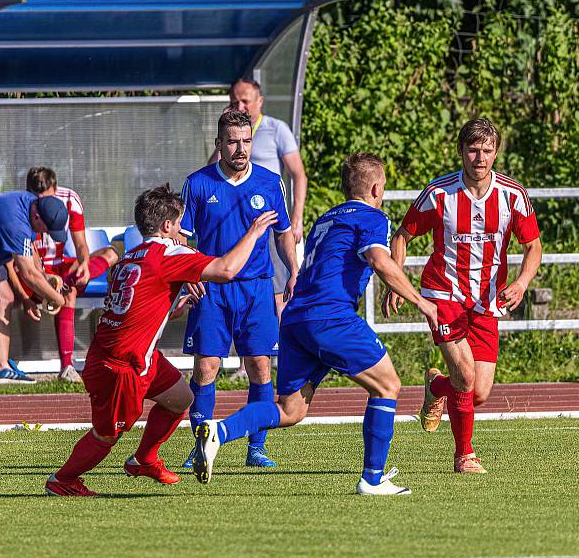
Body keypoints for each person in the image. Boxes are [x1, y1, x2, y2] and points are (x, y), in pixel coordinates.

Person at [191, 153, 439, 496]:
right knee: (387, 386)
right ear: (376, 187)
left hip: (295, 318)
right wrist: (422, 302)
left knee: (290, 409)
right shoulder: (372, 216)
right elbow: (380, 261)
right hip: (330, 315)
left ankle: (218, 432)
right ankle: (373, 478)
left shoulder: (328, 217)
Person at [44, 185, 277, 497]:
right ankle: (62, 480)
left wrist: (176, 306)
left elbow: (142, 304)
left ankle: (144, 458)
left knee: (181, 398)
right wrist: (254, 231)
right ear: (167, 226)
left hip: (134, 353)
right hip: (121, 364)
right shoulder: (168, 254)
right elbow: (226, 269)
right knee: (106, 435)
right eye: (178, 223)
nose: (181, 230)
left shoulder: (132, 255)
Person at [383, 118, 543, 474]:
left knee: (479, 392)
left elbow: (533, 246)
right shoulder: (440, 194)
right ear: (461, 152)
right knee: (467, 376)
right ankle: (464, 456)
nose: (480, 158)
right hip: (443, 293)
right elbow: (402, 236)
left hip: (487, 301)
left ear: (496, 152)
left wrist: (521, 283)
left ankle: (436, 386)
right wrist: (396, 278)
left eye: (487, 150)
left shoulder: (512, 195)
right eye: (473, 150)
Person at [181, 109, 298, 468]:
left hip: (257, 289)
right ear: (219, 144)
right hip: (212, 289)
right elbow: (182, 240)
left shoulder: (269, 182)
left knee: (260, 367)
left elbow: (283, 235)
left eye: (246, 141)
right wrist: (189, 275)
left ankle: (256, 447)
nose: (240, 148)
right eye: (232, 141)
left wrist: (293, 270)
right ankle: (199, 447)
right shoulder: (198, 184)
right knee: (206, 367)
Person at [210, 78, 309, 383]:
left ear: (260, 101)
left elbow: (297, 174)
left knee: (280, 297)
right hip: (234, 229)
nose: (241, 106)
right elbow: (212, 170)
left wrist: (296, 218)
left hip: (269, 227)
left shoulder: (276, 129)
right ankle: (245, 364)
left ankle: (287, 361)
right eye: (235, 101)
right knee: (237, 293)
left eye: (246, 101)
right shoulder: (228, 136)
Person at [9, 167, 119, 382]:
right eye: (37, 198)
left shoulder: (70, 199)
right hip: (32, 270)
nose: (43, 205)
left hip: (61, 267)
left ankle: (68, 284)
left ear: (55, 189)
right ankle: (66, 366)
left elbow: (80, 244)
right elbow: (26, 260)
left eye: (47, 198)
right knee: (68, 294)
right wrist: (46, 281)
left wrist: (84, 264)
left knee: (111, 252)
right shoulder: (22, 207)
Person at [0, 192, 68, 384]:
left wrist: (44, 277)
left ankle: (2, 367)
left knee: (6, 297)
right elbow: (28, 274)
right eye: (47, 230)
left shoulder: (31, 206)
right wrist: (59, 300)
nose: (47, 234)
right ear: (37, 217)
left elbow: (29, 248)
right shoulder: (15, 222)